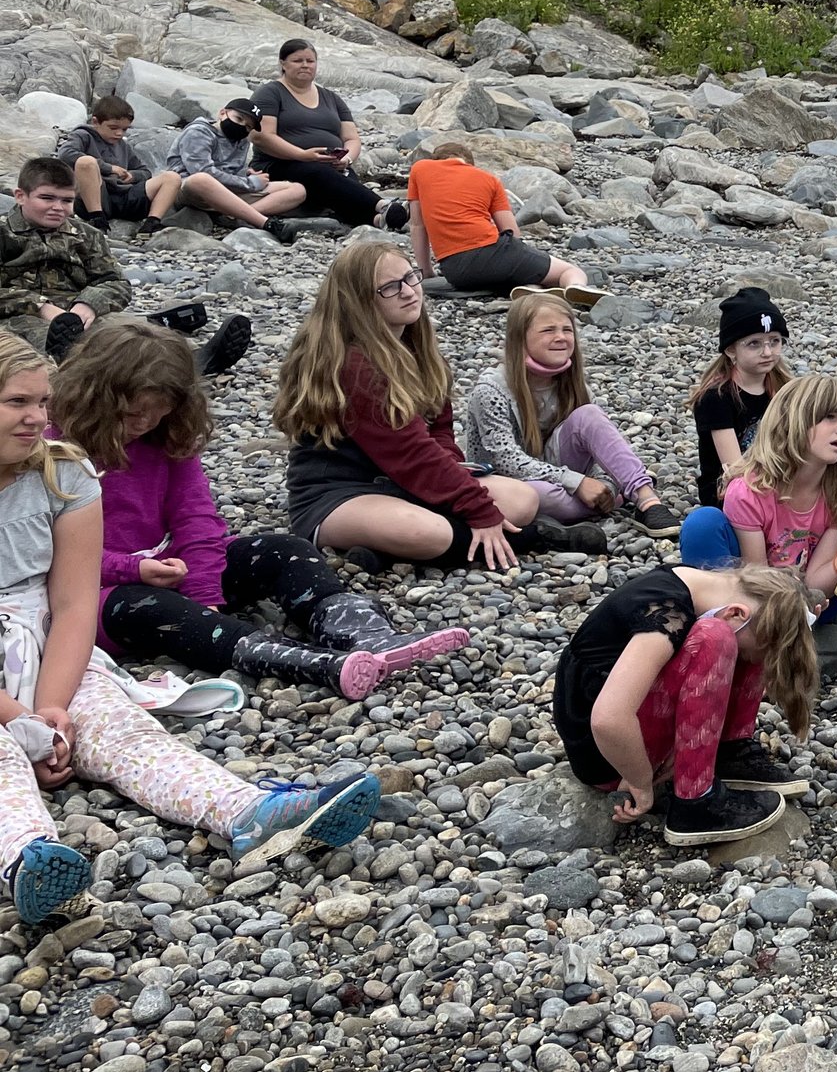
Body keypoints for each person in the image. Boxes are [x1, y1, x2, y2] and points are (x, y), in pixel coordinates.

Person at [0, 334, 380, 927]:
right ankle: (30, 859)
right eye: (17, 402)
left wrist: (51, 708)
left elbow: (71, 604)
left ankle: (252, 812)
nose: (38, 418)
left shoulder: (65, 474)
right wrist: (15, 719)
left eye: (42, 402)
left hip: (46, 638)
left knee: (123, 729)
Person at [50, 317, 467, 701]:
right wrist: (135, 572)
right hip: (92, 593)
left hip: (164, 565)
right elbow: (53, 556)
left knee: (285, 549)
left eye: (159, 412)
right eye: (134, 413)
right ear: (96, 397)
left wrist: (204, 595)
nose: (146, 423)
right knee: (152, 609)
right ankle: (303, 662)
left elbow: (196, 519)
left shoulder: (168, 438)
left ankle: (368, 634)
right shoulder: (54, 451)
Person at [274, 242, 592, 571]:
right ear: (358, 300)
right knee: (427, 531)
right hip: (340, 493)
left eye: (411, 278)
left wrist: (457, 476)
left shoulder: (417, 348)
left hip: (399, 483)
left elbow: (438, 433)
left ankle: (382, 554)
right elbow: (410, 454)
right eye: (389, 288)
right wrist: (477, 509)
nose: (409, 292)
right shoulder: (355, 365)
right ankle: (521, 540)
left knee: (522, 499)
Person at [679, 375, 837, 702]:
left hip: (817, 600)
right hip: (755, 605)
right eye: (828, 417)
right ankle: (727, 646)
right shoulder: (749, 489)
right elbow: (757, 581)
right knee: (703, 523)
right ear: (793, 421)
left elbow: (817, 583)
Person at [554, 560, 810, 847]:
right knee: (717, 637)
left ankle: (727, 752)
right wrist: (638, 780)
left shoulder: (694, 582)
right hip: (608, 756)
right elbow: (608, 718)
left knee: (757, 638)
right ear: (736, 611)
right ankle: (694, 803)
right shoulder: (666, 614)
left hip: (624, 730)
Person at [466, 292, 682, 539]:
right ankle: (601, 503)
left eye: (567, 330)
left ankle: (646, 500)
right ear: (520, 338)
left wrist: (604, 485)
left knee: (589, 415)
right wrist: (577, 483)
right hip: (510, 485)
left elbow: (600, 452)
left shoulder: (576, 387)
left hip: (563, 475)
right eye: (548, 330)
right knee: (534, 497)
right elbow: (505, 459)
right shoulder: (491, 390)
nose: (560, 338)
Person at [408, 144, 589, 295]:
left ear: (437, 159)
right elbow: (512, 233)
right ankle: (576, 287)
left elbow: (417, 225)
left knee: (500, 276)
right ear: (470, 164)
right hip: (493, 253)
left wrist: (426, 271)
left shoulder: (420, 169)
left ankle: (530, 287)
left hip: (455, 271)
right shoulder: (489, 179)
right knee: (569, 270)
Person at [3, 157, 132, 361]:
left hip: (79, 313)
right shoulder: (4, 234)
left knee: (138, 341)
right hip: (17, 317)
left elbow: (116, 282)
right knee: (49, 350)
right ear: (20, 196)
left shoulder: (87, 236)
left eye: (67, 200)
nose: (58, 207)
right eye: (47, 198)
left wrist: (88, 304)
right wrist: (40, 306)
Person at [250, 40, 386, 229]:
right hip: (280, 164)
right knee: (319, 174)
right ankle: (383, 206)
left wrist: (347, 159)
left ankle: (379, 220)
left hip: (329, 166)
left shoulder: (331, 98)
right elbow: (262, 136)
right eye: (298, 60)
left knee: (341, 183)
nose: (305, 65)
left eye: (310, 61)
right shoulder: (270, 93)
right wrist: (302, 155)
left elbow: (351, 138)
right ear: (283, 63)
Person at [689, 288, 791, 510]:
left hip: (778, 476)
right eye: (754, 343)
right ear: (731, 350)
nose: (767, 352)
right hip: (729, 489)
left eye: (774, 341)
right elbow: (734, 468)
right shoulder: (716, 398)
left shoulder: (786, 389)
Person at [167, 101, 309, 240]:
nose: (242, 126)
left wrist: (246, 173)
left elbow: (233, 169)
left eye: (248, 126)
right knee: (201, 178)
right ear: (223, 113)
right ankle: (266, 223)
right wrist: (250, 183)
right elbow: (201, 170)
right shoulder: (198, 132)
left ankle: (234, 217)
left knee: (297, 189)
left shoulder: (241, 139)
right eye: (239, 119)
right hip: (190, 189)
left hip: (229, 191)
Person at [56, 97, 181, 234]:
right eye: (113, 128)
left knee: (172, 177)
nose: (119, 133)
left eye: (124, 129)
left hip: (125, 196)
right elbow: (66, 154)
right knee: (86, 162)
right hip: (97, 197)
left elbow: (145, 171)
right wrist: (108, 168)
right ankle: (97, 220)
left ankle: (151, 223)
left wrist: (132, 176)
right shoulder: (83, 136)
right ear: (96, 122)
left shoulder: (123, 145)